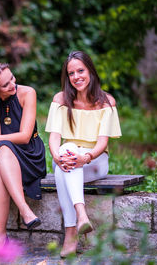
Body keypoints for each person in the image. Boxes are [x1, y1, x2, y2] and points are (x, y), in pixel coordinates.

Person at [45, 51, 122, 258]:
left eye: (81, 71)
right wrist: (56, 157)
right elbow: (54, 138)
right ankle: (81, 216)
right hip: (67, 158)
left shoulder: (106, 102)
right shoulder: (60, 99)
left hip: (95, 161)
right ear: (67, 77)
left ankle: (71, 232)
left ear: (91, 71)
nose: (76, 76)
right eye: (71, 73)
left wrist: (84, 158)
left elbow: (102, 143)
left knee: (65, 166)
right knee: (65, 151)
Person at [0, 61, 47, 248]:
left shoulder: (28, 93)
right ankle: (4, 231)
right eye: (5, 85)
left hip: (29, 154)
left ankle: (10, 225)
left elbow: (24, 136)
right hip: (2, 156)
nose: (13, 84)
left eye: (12, 78)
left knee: (0, 150)